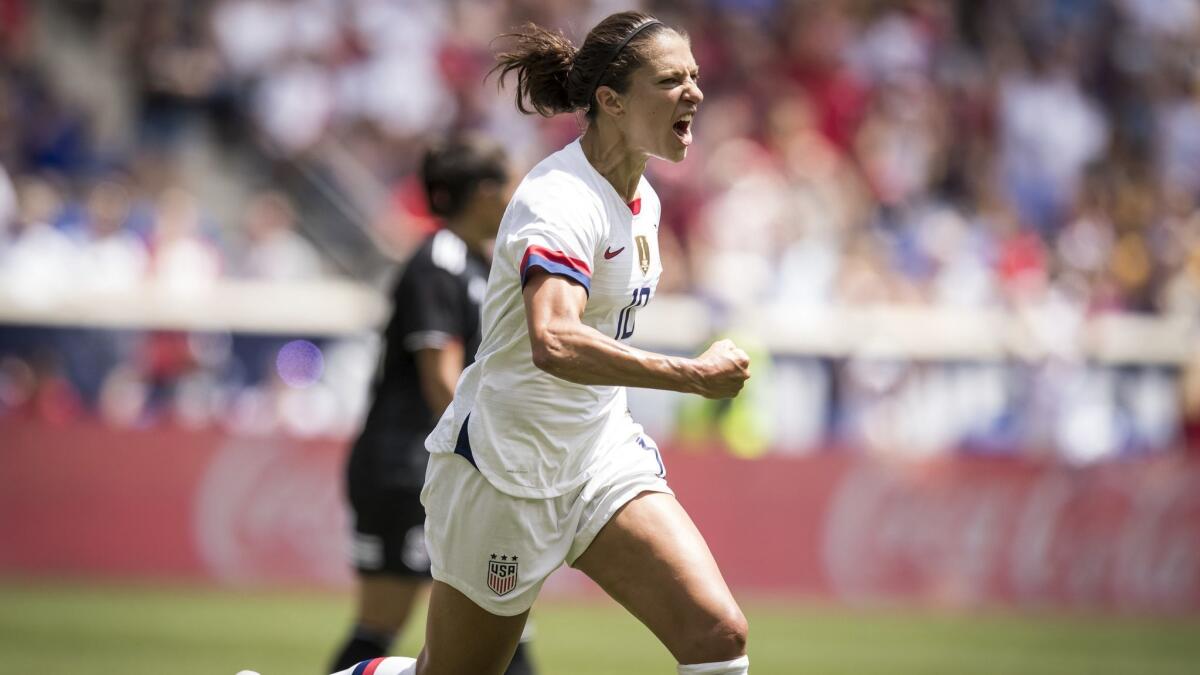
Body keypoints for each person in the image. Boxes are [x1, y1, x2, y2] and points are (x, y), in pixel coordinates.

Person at [333, 10, 751, 675]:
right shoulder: (560, 199)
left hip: (597, 457)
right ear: (611, 102)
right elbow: (553, 339)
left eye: (695, 76)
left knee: (719, 635)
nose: (695, 93)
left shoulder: (644, 200)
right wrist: (690, 376)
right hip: (506, 469)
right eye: (672, 80)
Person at [328, 135, 536, 675]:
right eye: (512, 186)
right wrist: (493, 453)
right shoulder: (438, 263)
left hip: (436, 464)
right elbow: (441, 381)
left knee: (502, 618)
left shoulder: (475, 264)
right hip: (409, 468)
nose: (519, 199)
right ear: (486, 193)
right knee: (387, 624)